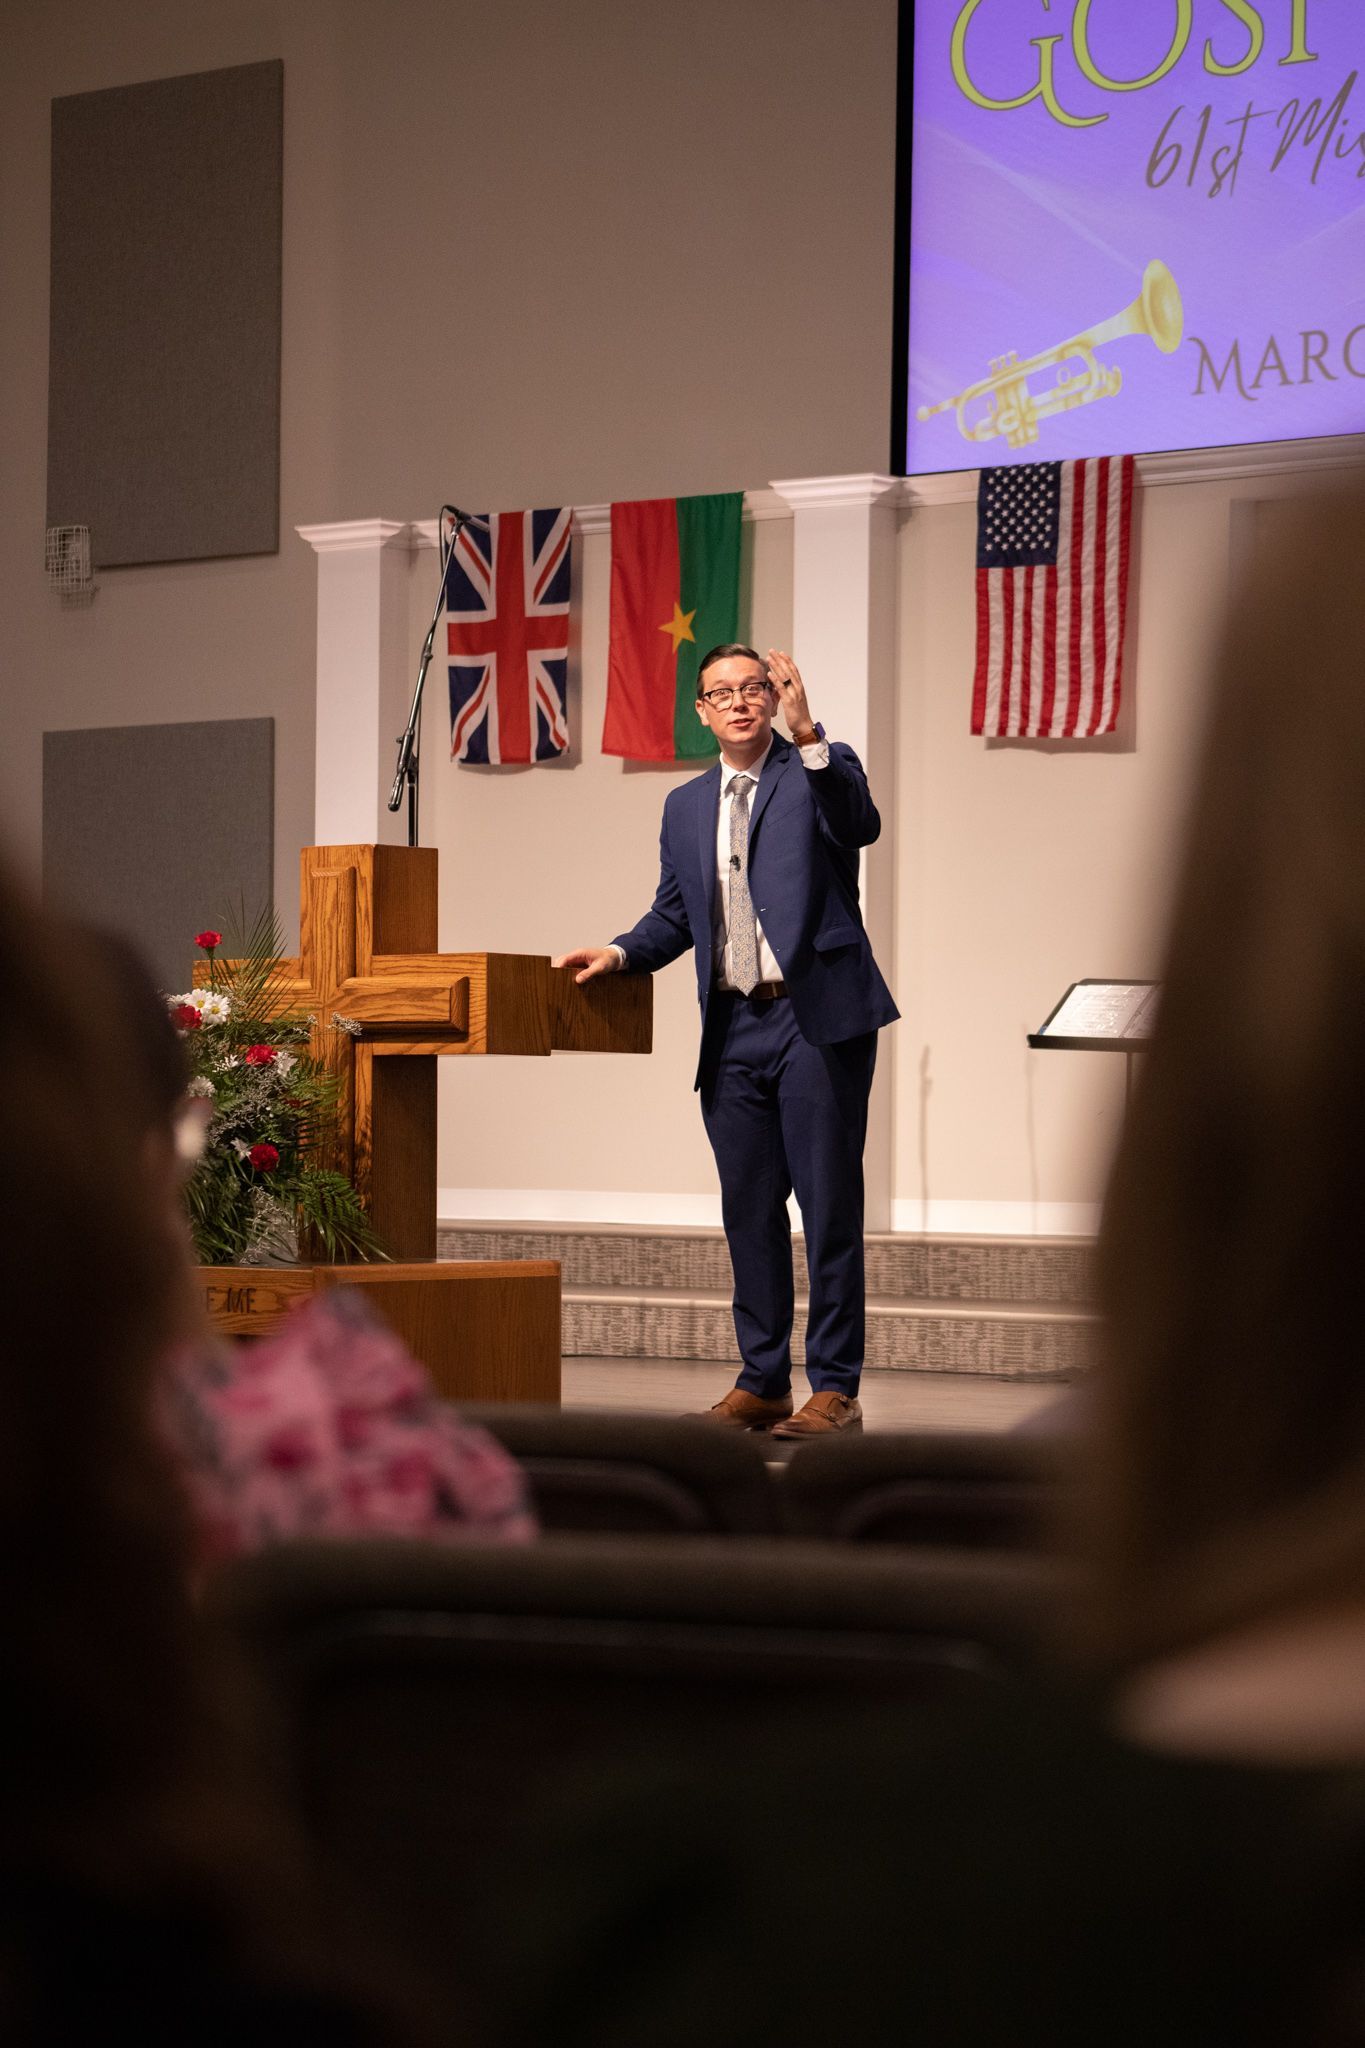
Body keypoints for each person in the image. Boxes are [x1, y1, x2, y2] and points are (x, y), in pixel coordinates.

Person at [555, 645, 897, 1438]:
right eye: (722, 693)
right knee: (747, 1209)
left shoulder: (818, 767)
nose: (741, 702)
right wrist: (618, 952)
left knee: (827, 1205)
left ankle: (834, 1386)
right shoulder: (683, 804)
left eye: (755, 688)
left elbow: (859, 824)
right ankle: (763, 1381)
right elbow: (676, 913)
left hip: (815, 1017)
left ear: (775, 698)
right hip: (733, 1024)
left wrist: (811, 731)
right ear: (700, 712)